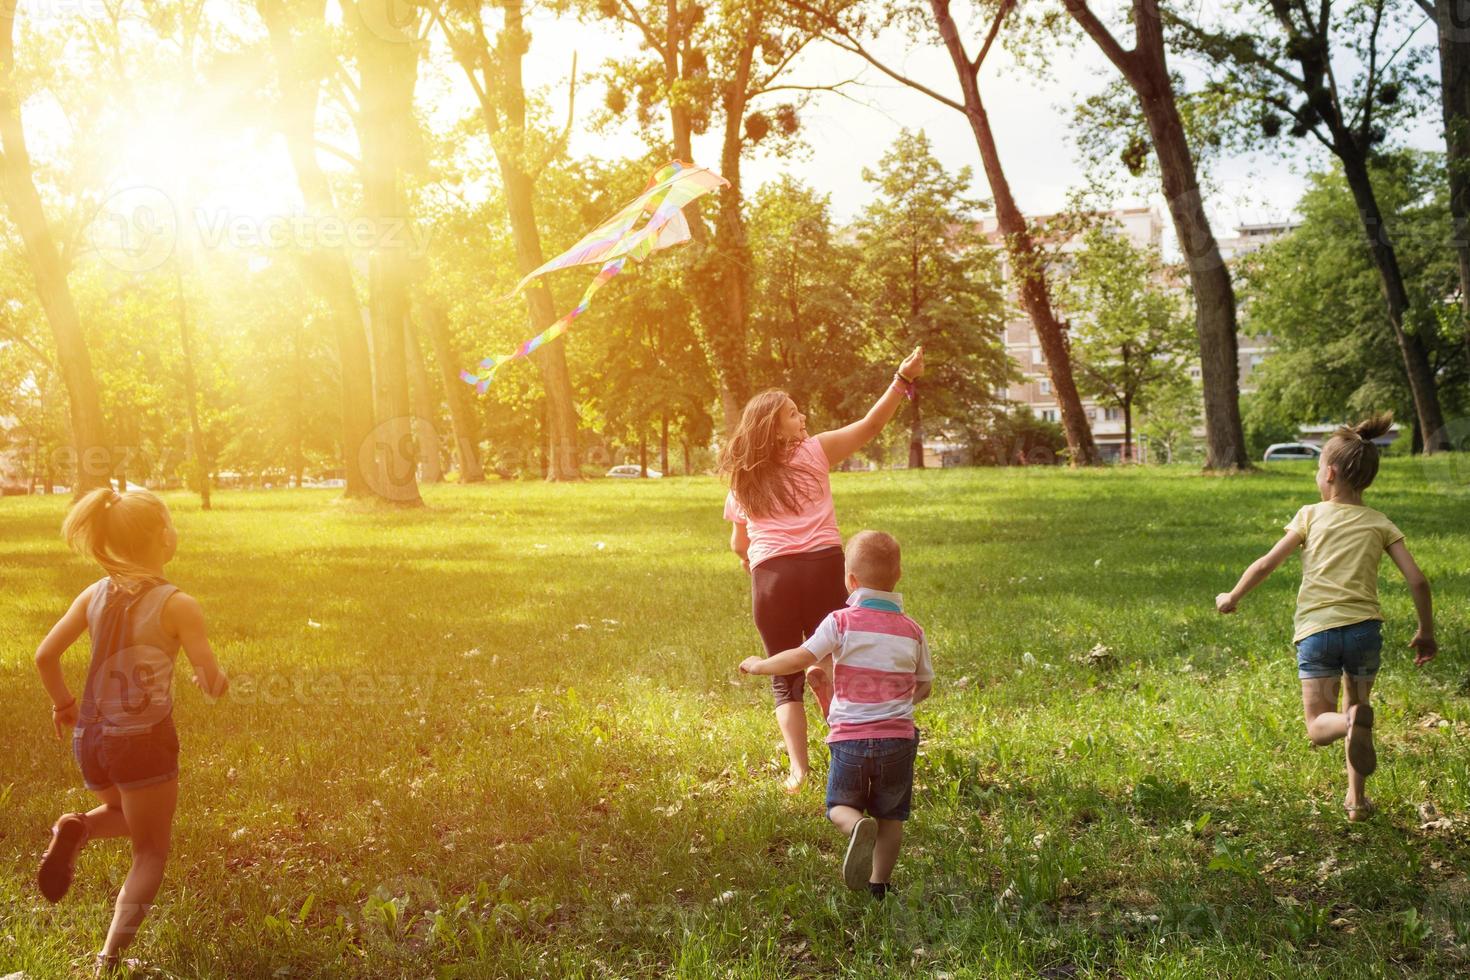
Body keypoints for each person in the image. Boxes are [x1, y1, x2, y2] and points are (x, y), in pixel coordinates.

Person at [33, 487, 229, 976]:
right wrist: (213, 681)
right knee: (150, 851)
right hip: (142, 741)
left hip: (92, 740)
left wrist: (64, 705)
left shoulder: (95, 592)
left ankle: (75, 829)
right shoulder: (179, 604)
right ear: (164, 536)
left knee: (122, 813)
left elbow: (44, 656)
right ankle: (110, 961)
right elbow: (211, 682)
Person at [721, 347, 924, 793]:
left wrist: (750, 567)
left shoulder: (743, 478)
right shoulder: (816, 451)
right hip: (822, 570)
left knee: (782, 677)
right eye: (793, 414)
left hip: (771, 580)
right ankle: (844, 741)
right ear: (775, 427)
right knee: (835, 657)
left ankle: (799, 770)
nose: (802, 418)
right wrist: (901, 379)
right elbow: (871, 426)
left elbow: (739, 543)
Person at [1216, 415, 1436, 821]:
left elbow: (1266, 564)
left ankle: (1348, 726)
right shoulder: (1380, 522)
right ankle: (1356, 801)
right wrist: (1426, 632)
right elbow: (1418, 581)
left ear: (1329, 473)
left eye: (1319, 468)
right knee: (1359, 709)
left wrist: (1233, 595)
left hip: (1317, 631)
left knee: (1320, 725)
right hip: (1365, 632)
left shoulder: (1310, 515)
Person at [741, 530, 931, 897]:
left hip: (851, 739)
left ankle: (855, 824)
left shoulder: (840, 622)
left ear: (851, 580)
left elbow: (800, 656)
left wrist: (760, 665)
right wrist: (896, 704)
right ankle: (879, 885)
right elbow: (924, 686)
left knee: (838, 806)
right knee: (892, 819)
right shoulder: (913, 631)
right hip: (898, 740)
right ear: (899, 576)